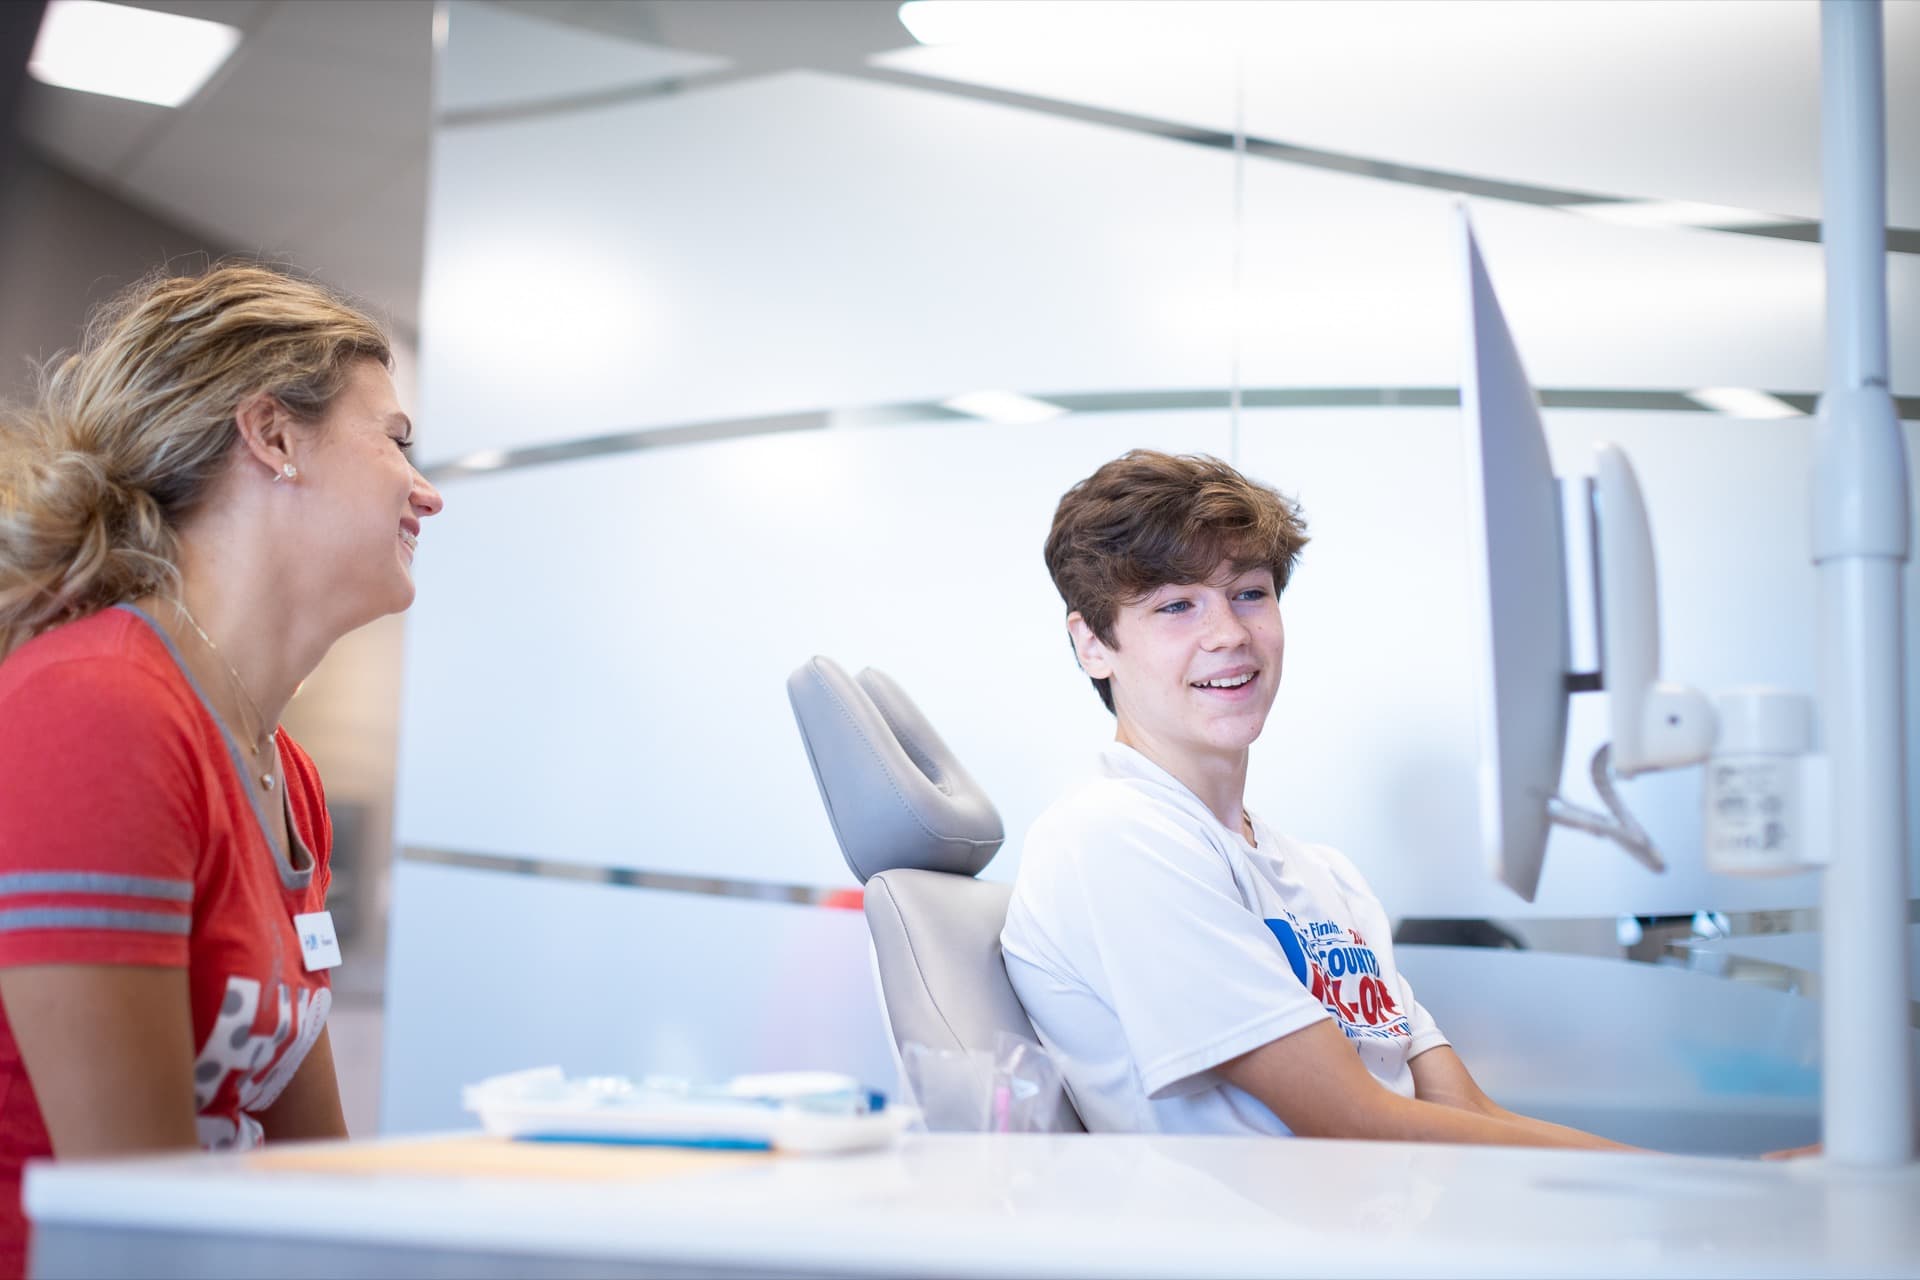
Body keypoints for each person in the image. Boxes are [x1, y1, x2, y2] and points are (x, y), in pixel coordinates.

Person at [0, 264, 444, 1273]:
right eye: (397, 441)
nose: (428, 489)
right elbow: (140, 1225)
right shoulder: (97, 706)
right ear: (273, 435)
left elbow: (313, 1184)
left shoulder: (285, 773)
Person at [1001, 449, 1630, 1150]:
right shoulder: (1112, 836)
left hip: (1404, 1227)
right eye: (1177, 606)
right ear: (1092, 644)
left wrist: (1715, 1181)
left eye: (1249, 592)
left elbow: (1465, 1112)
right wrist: (1693, 1190)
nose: (1230, 635)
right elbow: (1351, 1122)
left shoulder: (1325, 877)